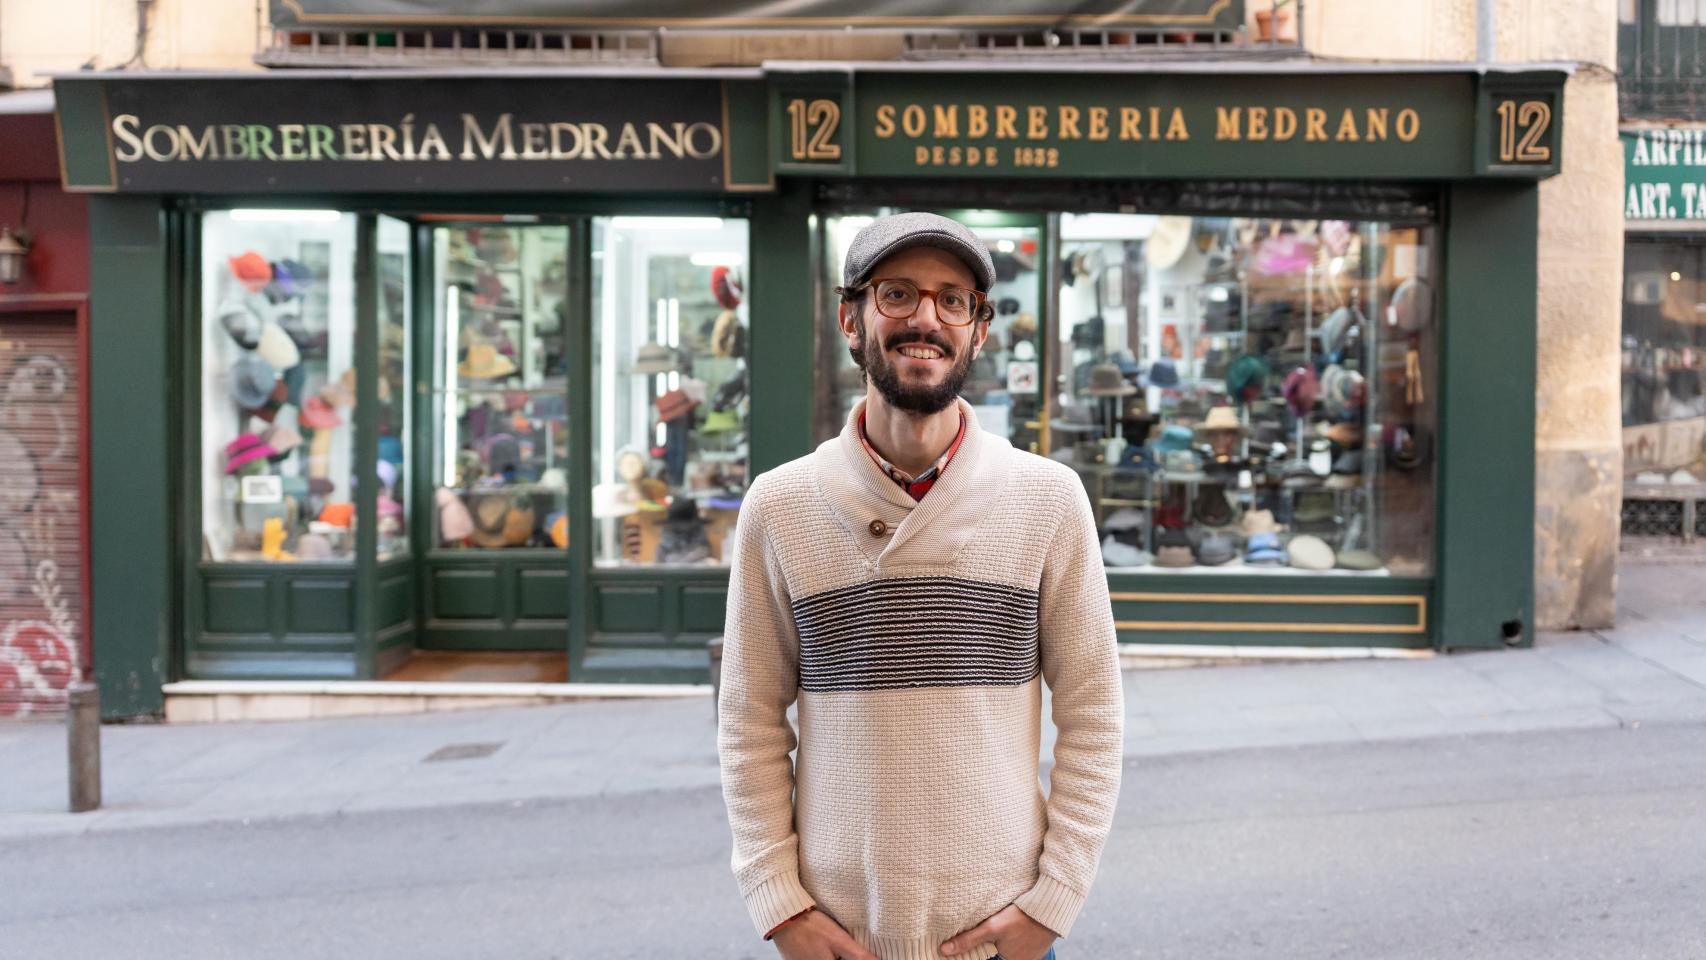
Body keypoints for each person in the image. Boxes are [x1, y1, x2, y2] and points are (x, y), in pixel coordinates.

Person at [717, 212, 1124, 960]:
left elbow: (1094, 713)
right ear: (851, 317)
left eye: (953, 299)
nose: (926, 319)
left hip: (1003, 936)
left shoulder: (1049, 499)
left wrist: (1054, 900)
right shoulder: (780, 507)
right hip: (836, 936)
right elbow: (748, 723)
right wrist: (779, 905)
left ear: (979, 331)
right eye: (897, 294)